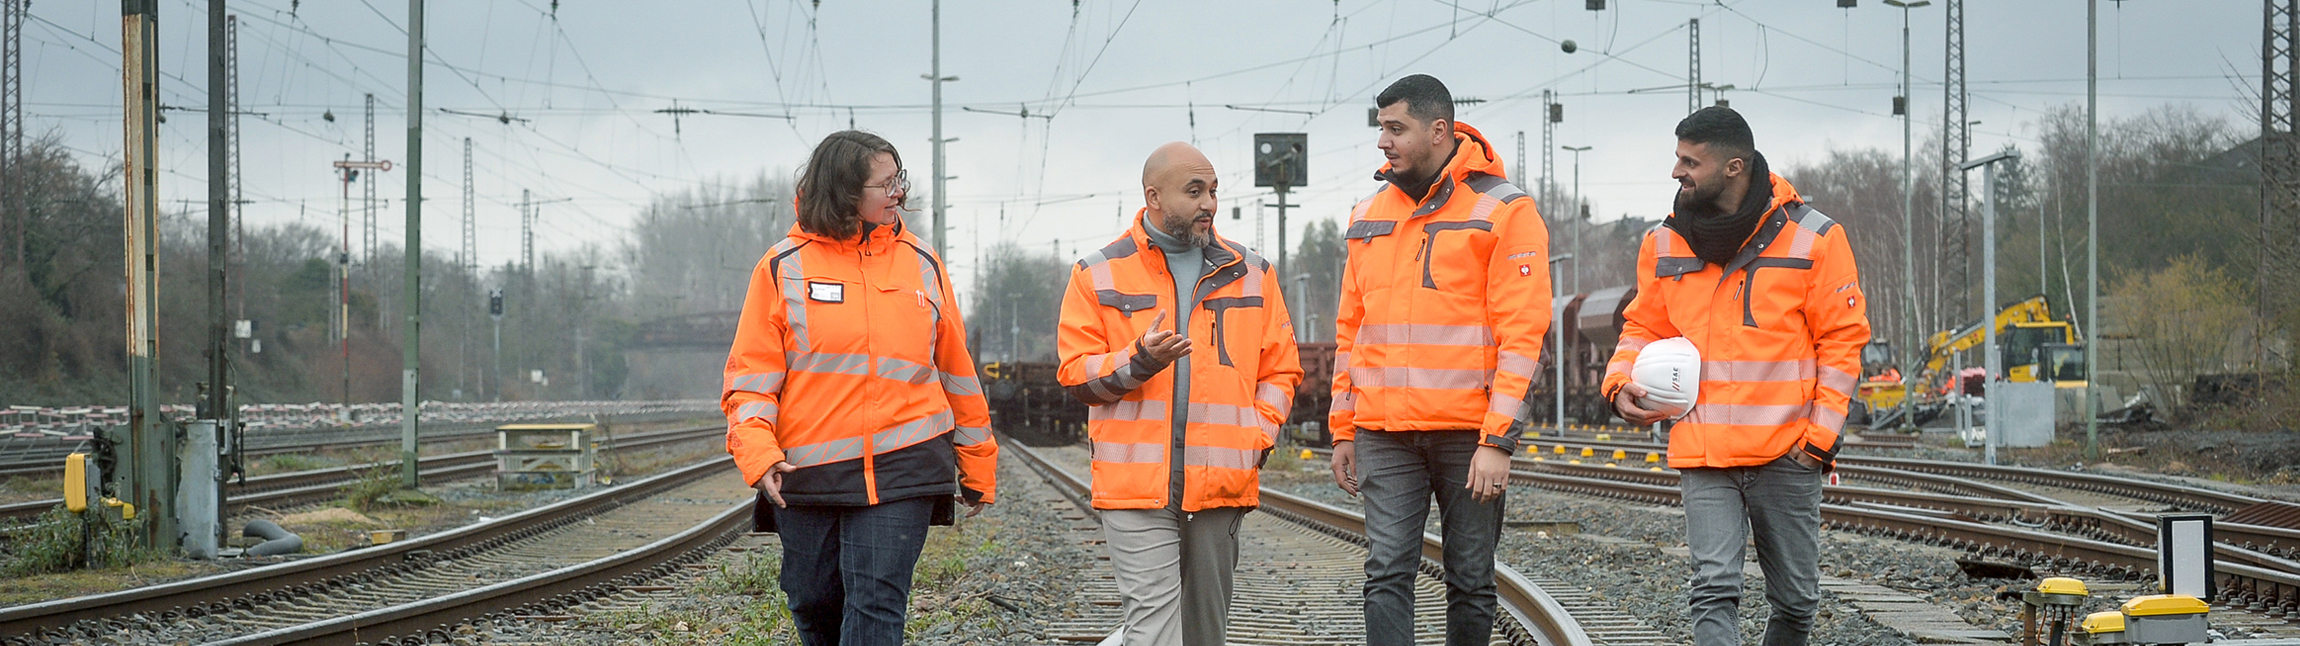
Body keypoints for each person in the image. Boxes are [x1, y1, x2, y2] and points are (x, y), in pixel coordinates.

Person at [1601, 106, 1871, 646]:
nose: (1676, 172)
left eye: (1689, 161)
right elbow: (1642, 326)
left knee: (1796, 601)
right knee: (1713, 589)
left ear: (1734, 167)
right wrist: (1618, 379)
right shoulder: (1663, 242)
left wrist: (1817, 442)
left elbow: (1841, 344)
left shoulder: (1815, 239)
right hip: (1704, 452)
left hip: (1787, 454)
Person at [723, 130, 998, 646]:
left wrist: (977, 459)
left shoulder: (922, 264)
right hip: (808, 471)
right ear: (845, 191)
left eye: (900, 180)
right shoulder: (784, 266)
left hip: (905, 464)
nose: (899, 194)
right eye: (885, 184)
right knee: (813, 600)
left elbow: (957, 371)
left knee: (876, 604)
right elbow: (750, 379)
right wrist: (757, 453)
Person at [1328, 74, 1551, 646]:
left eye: (1396, 128)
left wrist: (1498, 441)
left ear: (1439, 130)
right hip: (1384, 431)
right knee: (1385, 574)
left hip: (1467, 434)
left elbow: (1523, 336)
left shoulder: (1504, 210)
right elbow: (1351, 332)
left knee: (1472, 580)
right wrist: (1343, 428)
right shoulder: (1367, 214)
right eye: (1381, 128)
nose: (1384, 141)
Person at [1057, 141, 1303, 646]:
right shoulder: (1097, 273)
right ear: (1153, 197)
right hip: (1135, 487)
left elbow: (1280, 370)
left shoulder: (1251, 271)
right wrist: (1139, 360)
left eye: (1213, 191)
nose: (1209, 203)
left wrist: (1256, 437)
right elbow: (1077, 376)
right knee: (1153, 629)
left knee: (1206, 632)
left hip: (1220, 485)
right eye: (1194, 192)